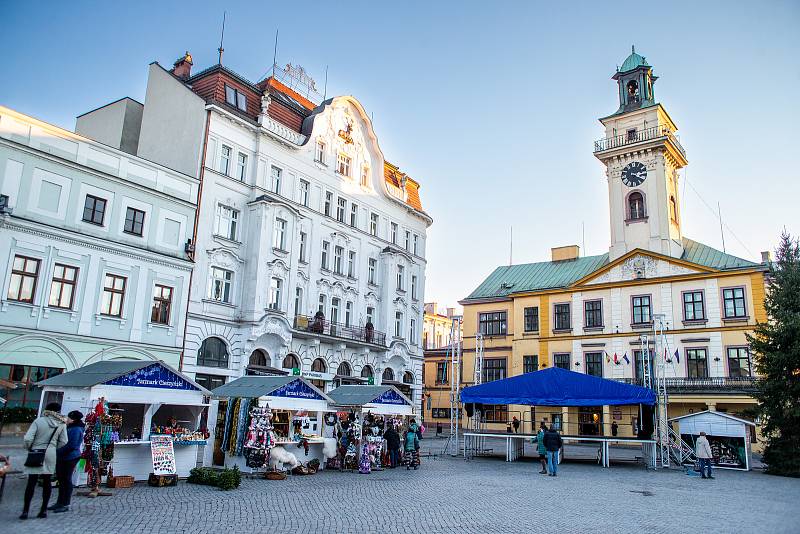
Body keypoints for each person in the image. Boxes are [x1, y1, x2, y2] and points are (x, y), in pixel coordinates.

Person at [21, 402, 67, 520]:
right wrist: (53, 447)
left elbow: (27, 438)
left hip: (37, 451)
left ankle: (25, 511)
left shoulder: (39, 421)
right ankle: (43, 510)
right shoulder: (61, 423)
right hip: (50, 453)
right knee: (47, 481)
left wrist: (30, 447)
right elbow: (64, 441)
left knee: (32, 481)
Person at [50, 410, 85, 513]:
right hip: (64, 456)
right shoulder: (71, 427)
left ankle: (65, 503)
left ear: (73, 419)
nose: (67, 419)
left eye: (68, 417)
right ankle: (60, 502)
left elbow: (71, 445)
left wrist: (59, 451)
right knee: (61, 479)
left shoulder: (76, 429)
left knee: (66, 479)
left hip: (70, 457)